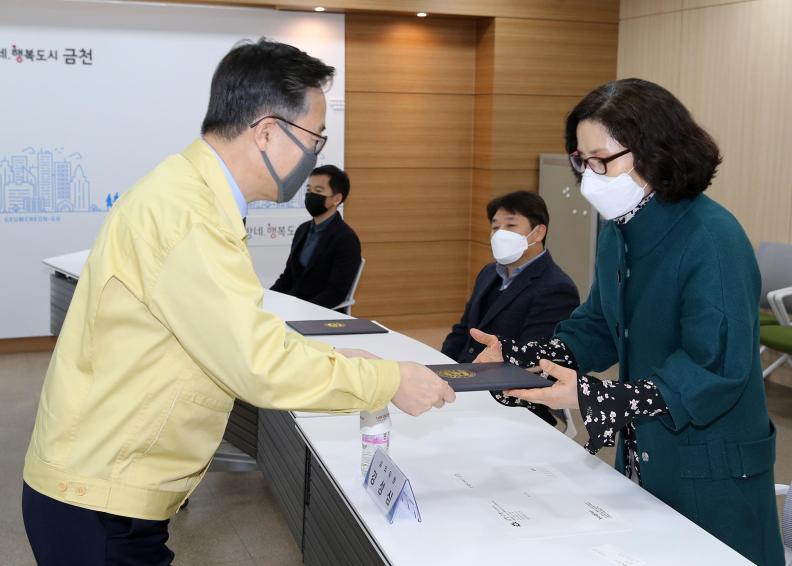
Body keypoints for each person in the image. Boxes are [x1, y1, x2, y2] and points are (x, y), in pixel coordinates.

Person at [21, 39, 455, 565]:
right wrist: (387, 381)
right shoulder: (189, 215)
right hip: (99, 496)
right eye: (316, 138)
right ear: (269, 132)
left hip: (102, 481)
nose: (317, 157)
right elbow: (254, 362)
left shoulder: (189, 193)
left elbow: (232, 334)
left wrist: (339, 363)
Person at [471, 78, 784, 565]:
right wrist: (527, 358)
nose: (590, 176)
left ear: (655, 149)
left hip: (713, 465)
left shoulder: (712, 237)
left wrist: (595, 395)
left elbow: (714, 368)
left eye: (602, 160)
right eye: (582, 161)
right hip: (647, 448)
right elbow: (599, 325)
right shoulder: (621, 232)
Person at [441, 191, 578, 424]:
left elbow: (532, 363)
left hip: (511, 400)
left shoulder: (556, 288)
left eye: (511, 225)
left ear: (539, 232)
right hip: (466, 383)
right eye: (495, 227)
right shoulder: (489, 273)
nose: (500, 233)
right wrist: (440, 373)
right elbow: (462, 330)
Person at [271, 164, 361, 309]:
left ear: (336, 198)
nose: (310, 195)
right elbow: (288, 277)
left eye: (318, 190)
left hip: (318, 313)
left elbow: (336, 292)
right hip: (293, 305)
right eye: (308, 190)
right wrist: (268, 300)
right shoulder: (303, 229)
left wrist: (301, 310)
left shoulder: (346, 239)